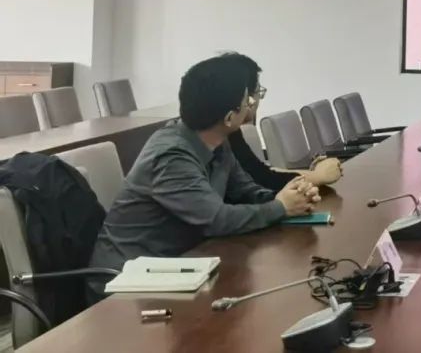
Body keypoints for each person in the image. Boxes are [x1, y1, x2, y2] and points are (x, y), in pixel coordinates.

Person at [88, 54, 320, 295]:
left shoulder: (218, 141)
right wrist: (280, 208)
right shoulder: (171, 156)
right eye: (248, 99)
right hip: (126, 282)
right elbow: (216, 220)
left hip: (177, 266)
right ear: (229, 117)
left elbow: (244, 191)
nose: (252, 103)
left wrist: (293, 198)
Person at [222, 54, 342, 190]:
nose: (256, 101)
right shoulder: (222, 134)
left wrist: (311, 173)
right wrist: (318, 177)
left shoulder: (228, 130)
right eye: (258, 92)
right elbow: (262, 180)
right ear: (246, 97)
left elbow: (260, 171)